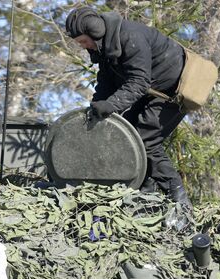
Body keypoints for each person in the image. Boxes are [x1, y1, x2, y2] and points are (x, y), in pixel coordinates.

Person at [65, 7, 192, 210]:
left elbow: (139, 82)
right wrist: (96, 108)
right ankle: (145, 196)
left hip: (174, 90)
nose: (82, 46)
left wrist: (111, 105)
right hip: (152, 90)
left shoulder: (131, 37)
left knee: (144, 140)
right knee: (126, 135)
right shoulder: (104, 47)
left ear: (95, 33)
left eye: (82, 41)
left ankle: (180, 201)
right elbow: (106, 82)